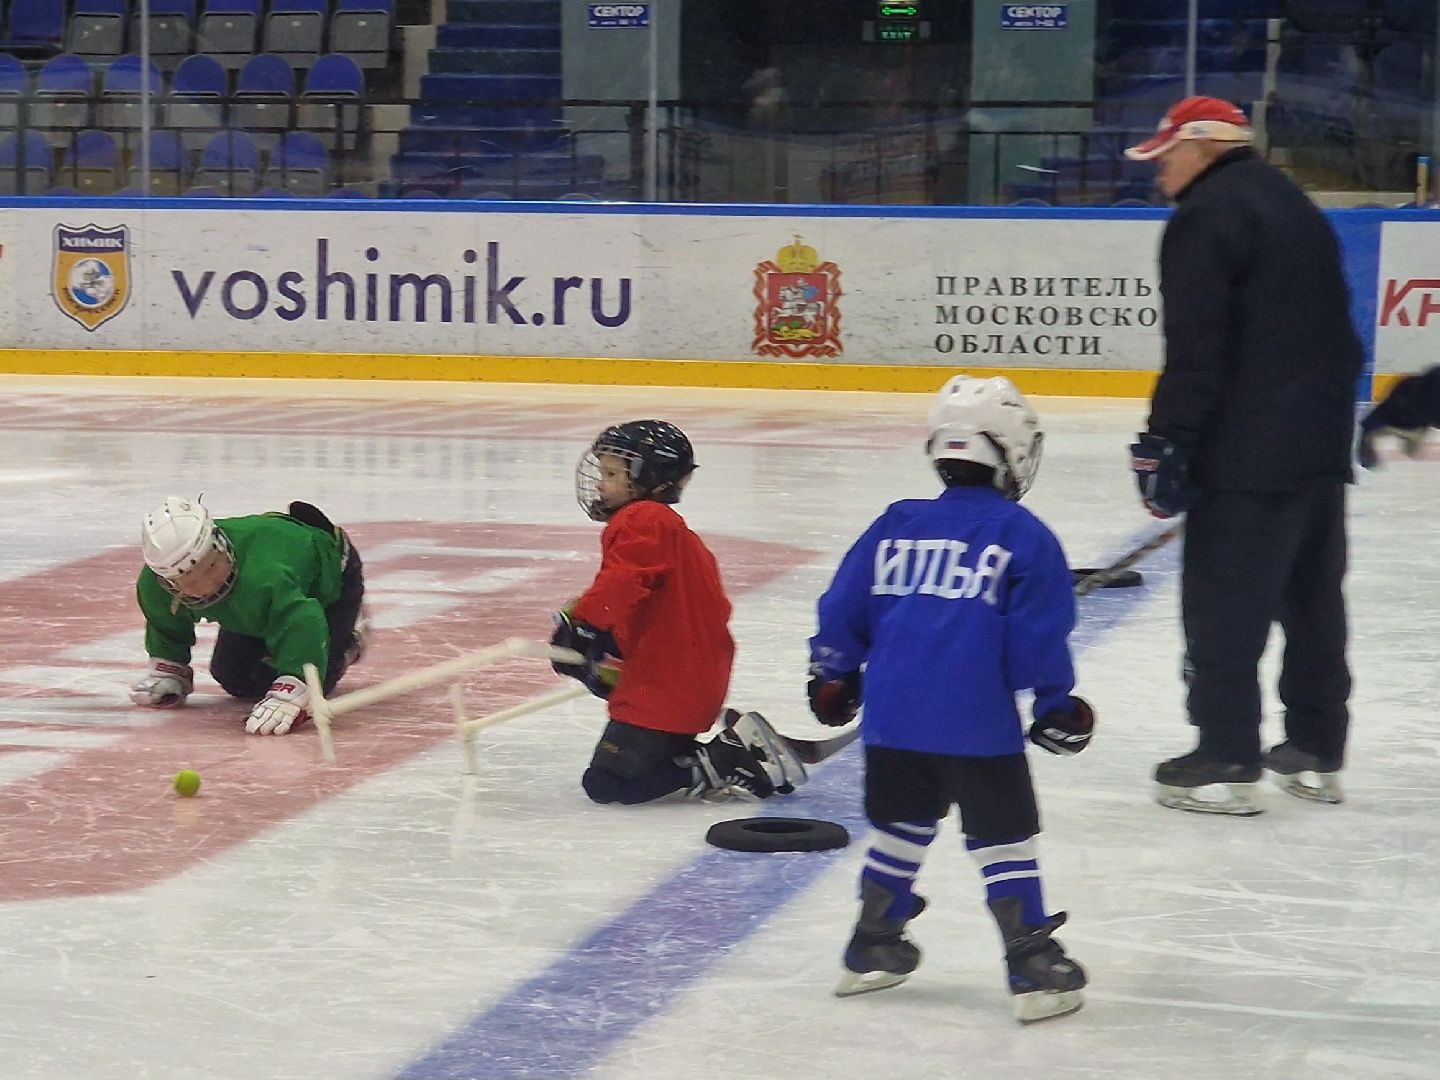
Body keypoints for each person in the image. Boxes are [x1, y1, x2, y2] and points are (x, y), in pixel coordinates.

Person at [808, 375, 1091, 1024]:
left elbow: (844, 607)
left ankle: (873, 942)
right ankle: (1032, 963)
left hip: (891, 723)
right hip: (976, 725)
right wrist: (1056, 703)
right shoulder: (1023, 535)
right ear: (1010, 450)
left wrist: (832, 673)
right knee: (1003, 842)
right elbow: (1035, 646)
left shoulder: (896, 523)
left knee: (902, 826)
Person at [1124, 96, 1363, 813]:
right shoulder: (1295, 205)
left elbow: (1198, 349)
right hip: (1318, 449)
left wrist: (1168, 441)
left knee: (1224, 607)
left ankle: (1226, 755)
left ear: (1202, 147)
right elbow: (1341, 340)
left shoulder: (1205, 218)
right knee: (1312, 601)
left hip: (1246, 454)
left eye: (1166, 154)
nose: (1160, 169)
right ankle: (1316, 749)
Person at [550, 419, 807, 804]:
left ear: (648, 477)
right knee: (634, 770)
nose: (601, 482)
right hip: (682, 681)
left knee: (608, 784)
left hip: (667, 689)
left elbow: (624, 580)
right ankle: (713, 757)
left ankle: (729, 756)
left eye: (611, 473)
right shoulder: (675, 534)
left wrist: (587, 624)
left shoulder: (644, 519)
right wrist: (605, 648)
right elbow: (658, 606)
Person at [131, 497, 369, 736]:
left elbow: (304, 619)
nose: (208, 584)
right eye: (190, 580)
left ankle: (349, 640)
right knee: (233, 676)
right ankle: (274, 637)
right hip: (255, 599)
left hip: (331, 576)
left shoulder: (266, 575)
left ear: (219, 543)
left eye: (211, 566)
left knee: (318, 681)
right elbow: (166, 622)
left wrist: (294, 685)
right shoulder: (155, 586)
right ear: (168, 582)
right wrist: (170, 667)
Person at [1358, 366, 1440, 469]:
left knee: (1411, 450)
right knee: (1411, 450)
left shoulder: (1408, 385)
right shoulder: (1420, 395)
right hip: (1408, 421)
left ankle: (1408, 434)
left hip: (1404, 418)